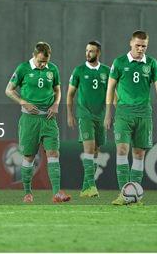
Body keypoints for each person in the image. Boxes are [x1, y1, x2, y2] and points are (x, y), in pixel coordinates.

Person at [104, 30, 157, 206]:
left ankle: (135, 196)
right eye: (138, 45)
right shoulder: (119, 62)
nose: (141, 49)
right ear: (130, 43)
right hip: (124, 113)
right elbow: (110, 88)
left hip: (144, 114)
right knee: (122, 150)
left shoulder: (151, 63)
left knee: (139, 153)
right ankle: (123, 194)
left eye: (144, 46)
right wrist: (108, 113)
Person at [5, 42, 71, 203]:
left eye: (45, 62)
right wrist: (22, 102)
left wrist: (56, 104)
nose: (43, 65)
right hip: (29, 120)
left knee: (54, 154)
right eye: (40, 61)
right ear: (34, 56)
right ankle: (28, 193)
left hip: (48, 119)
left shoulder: (52, 69)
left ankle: (57, 193)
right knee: (28, 157)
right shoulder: (23, 69)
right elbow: (8, 90)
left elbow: (57, 90)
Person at [67, 41, 111, 198]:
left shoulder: (107, 71)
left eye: (91, 51)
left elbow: (112, 94)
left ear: (98, 53)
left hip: (100, 116)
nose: (87, 53)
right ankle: (92, 186)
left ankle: (86, 187)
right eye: (86, 50)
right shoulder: (79, 71)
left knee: (96, 150)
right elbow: (70, 94)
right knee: (89, 149)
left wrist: (111, 113)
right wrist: (70, 114)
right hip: (84, 115)